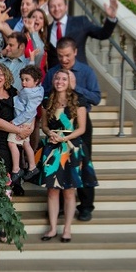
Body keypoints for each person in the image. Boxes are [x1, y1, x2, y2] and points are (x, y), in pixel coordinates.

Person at [42, 37, 101, 221]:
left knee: (82, 163)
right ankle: (59, 206)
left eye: (67, 55)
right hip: (56, 122)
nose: (64, 59)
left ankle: (85, 205)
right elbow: (45, 94)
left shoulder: (86, 72)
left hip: (78, 121)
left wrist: (76, 88)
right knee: (59, 164)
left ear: (75, 52)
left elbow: (96, 98)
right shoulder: (52, 72)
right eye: (60, 56)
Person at [38, 69, 98, 242]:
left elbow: (82, 128)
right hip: (53, 148)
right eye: (57, 78)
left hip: (71, 148)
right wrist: (50, 133)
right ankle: (52, 228)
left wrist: (64, 138)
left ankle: (67, 229)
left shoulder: (78, 100)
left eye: (64, 79)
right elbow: (44, 125)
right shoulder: (47, 100)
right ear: (53, 80)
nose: (60, 81)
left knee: (69, 192)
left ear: (70, 82)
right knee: (52, 191)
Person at [0, 64, 30, 197]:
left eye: (1, 74)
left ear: (6, 76)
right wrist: (19, 130)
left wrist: (28, 128)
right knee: (2, 182)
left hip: (15, 139)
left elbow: (27, 110)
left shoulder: (13, 92)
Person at [46, 0, 118, 68]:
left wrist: (111, 18)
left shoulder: (80, 22)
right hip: (56, 73)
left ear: (66, 7)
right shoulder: (47, 30)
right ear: (48, 10)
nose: (56, 9)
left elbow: (103, 34)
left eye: (59, 5)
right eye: (52, 6)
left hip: (79, 71)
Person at [8, 65, 44, 184]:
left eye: (27, 80)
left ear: (36, 81)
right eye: (22, 79)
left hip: (22, 120)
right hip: (26, 120)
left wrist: (15, 122)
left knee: (12, 143)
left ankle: (16, 169)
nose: (23, 82)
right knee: (25, 143)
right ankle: (32, 167)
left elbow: (29, 111)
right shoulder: (37, 90)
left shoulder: (29, 93)